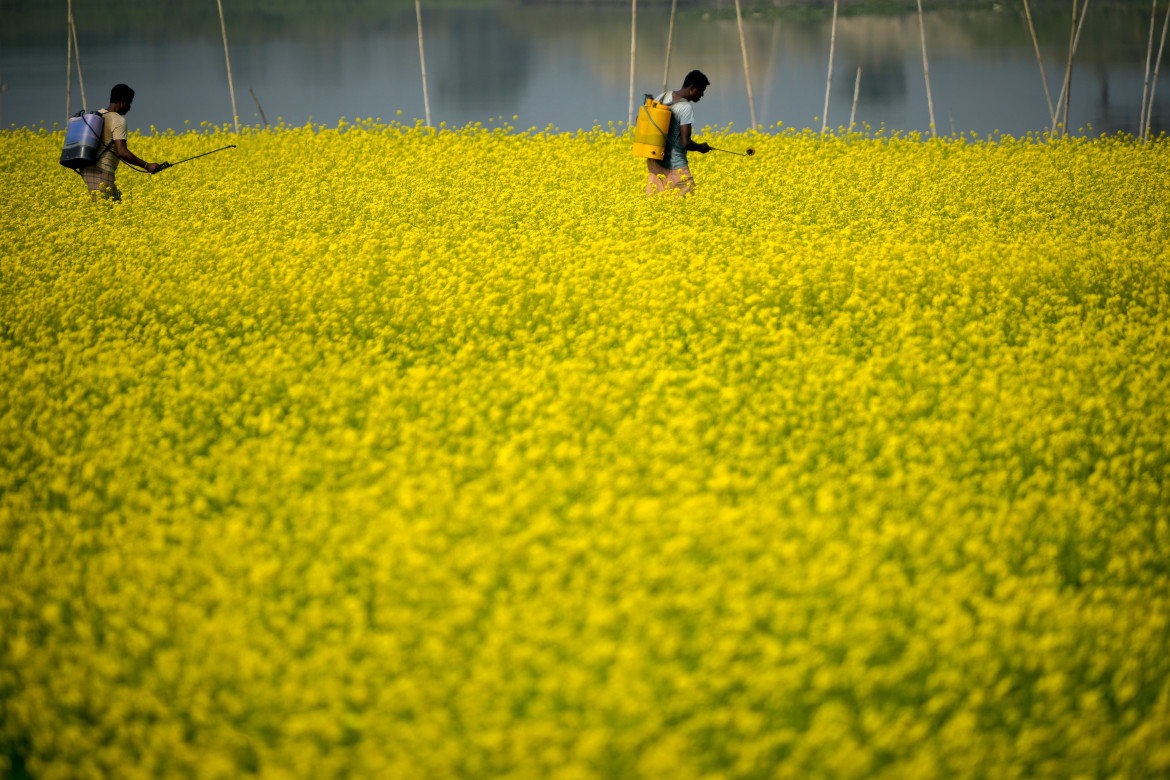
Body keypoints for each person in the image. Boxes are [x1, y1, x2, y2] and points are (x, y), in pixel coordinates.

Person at [79, 83, 163, 202]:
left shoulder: (97, 115)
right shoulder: (118, 120)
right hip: (102, 171)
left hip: (87, 170)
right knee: (107, 211)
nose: (130, 107)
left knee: (115, 207)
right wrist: (147, 165)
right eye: (130, 103)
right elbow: (122, 151)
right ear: (122, 101)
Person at [645, 70, 711, 197]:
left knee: (657, 203)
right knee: (692, 203)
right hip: (675, 165)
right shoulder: (685, 108)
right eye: (701, 90)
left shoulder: (663, 96)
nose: (702, 94)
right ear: (692, 88)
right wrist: (701, 147)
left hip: (655, 160)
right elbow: (686, 143)